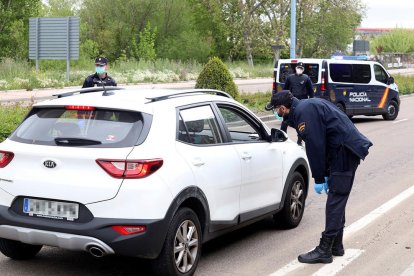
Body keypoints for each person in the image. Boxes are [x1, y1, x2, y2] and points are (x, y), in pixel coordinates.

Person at [267, 91, 373, 264]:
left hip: (344, 153)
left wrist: (318, 177)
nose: (277, 114)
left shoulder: (304, 112)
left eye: (277, 111)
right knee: (337, 199)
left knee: (336, 199)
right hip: (341, 151)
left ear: (282, 108)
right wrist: (324, 172)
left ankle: (325, 249)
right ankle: (336, 245)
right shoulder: (305, 106)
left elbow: (316, 146)